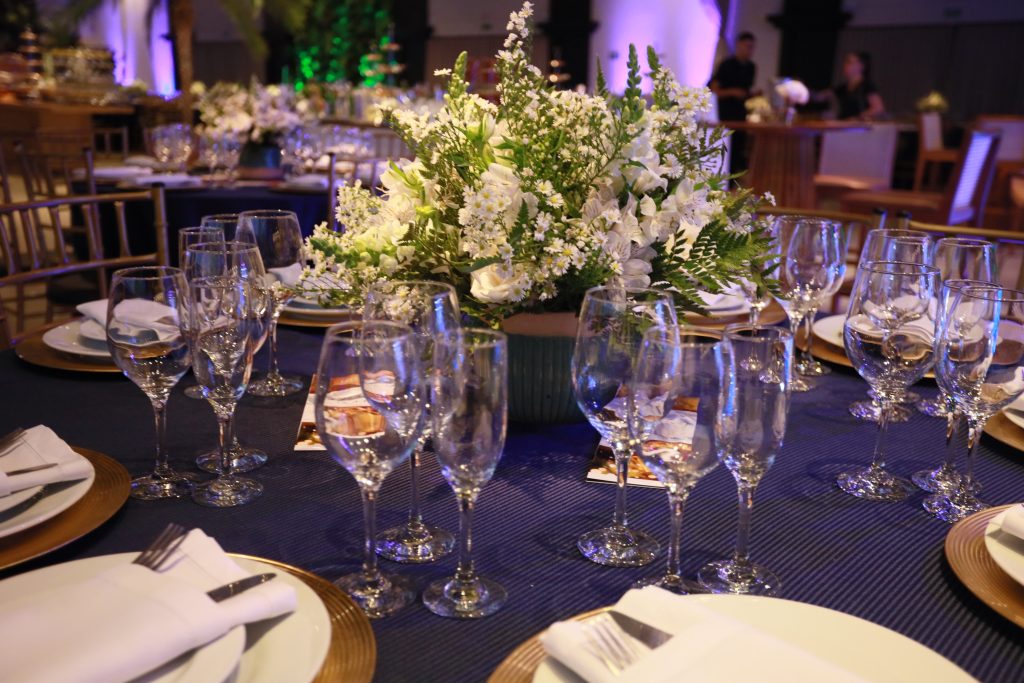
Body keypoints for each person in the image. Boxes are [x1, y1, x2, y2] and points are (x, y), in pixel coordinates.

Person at [709, 32, 757, 174]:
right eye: (747, 46)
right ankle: (721, 177)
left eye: (752, 47)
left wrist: (752, 95)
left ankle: (733, 179)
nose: (750, 50)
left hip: (740, 113)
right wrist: (733, 92)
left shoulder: (751, 67)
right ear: (738, 45)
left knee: (738, 148)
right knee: (724, 147)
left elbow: (746, 92)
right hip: (725, 112)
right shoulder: (726, 65)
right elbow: (714, 90)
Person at [832, 52, 885, 120]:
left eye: (850, 62)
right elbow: (822, 96)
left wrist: (857, 118)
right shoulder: (843, 87)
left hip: (856, 125)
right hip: (843, 123)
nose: (846, 65)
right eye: (846, 62)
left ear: (862, 66)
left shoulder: (866, 85)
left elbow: (878, 108)